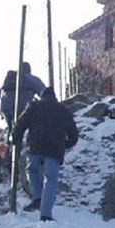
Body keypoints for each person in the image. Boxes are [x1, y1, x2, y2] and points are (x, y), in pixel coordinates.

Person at [13, 86, 79, 221]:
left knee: (32, 170)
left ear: (42, 96)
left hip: (36, 146)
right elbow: (73, 134)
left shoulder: (34, 106)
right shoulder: (63, 110)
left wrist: (16, 139)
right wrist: (65, 145)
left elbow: (21, 123)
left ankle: (37, 198)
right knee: (51, 180)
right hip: (55, 149)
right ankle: (46, 214)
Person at [0, 62, 46, 134]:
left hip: (5, 107)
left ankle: (10, 142)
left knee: (11, 127)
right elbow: (43, 92)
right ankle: (20, 142)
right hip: (21, 106)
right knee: (22, 126)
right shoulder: (30, 78)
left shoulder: (11, 77)